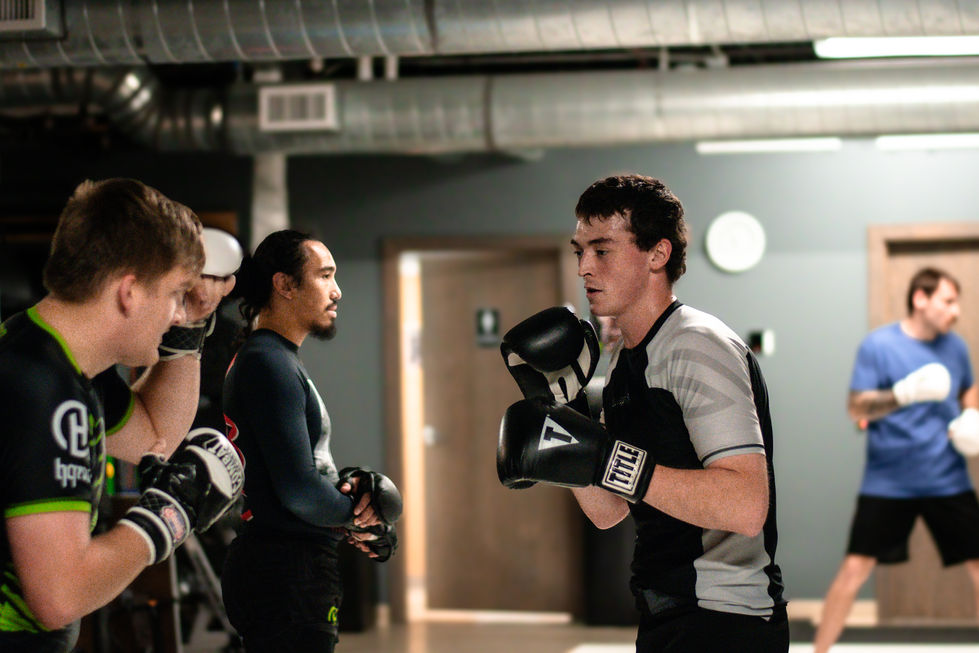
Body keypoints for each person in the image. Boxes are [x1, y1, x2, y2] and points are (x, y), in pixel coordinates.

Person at [496, 174, 787, 652]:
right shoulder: (623, 363)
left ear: (658, 254)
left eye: (602, 250)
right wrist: (565, 415)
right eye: (580, 251)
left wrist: (609, 459)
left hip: (725, 621)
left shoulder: (696, 344)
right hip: (665, 612)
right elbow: (608, 511)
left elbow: (745, 506)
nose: (584, 268)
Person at [0, 178, 241, 652]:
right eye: (174, 294)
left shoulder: (53, 356)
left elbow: (154, 434)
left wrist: (192, 326)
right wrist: (172, 513)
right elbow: (59, 596)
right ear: (129, 291)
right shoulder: (43, 389)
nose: (176, 313)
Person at [221, 229, 400, 653]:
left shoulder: (275, 358)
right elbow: (299, 491)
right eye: (324, 276)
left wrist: (350, 505)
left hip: (289, 566)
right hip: (286, 570)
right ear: (284, 284)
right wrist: (363, 519)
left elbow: (300, 474)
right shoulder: (269, 362)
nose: (337, 291)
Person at [813, 267, 979, 653]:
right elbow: (856, 407)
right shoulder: (878, 346)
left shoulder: (956, 347)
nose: (955, 311)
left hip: (947, 476)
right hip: (889, 480)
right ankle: (820, 651)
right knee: (854, 569)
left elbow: (968, 390)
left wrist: (972, 416)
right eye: (948, 301)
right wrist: (903, 393)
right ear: (920, 299)